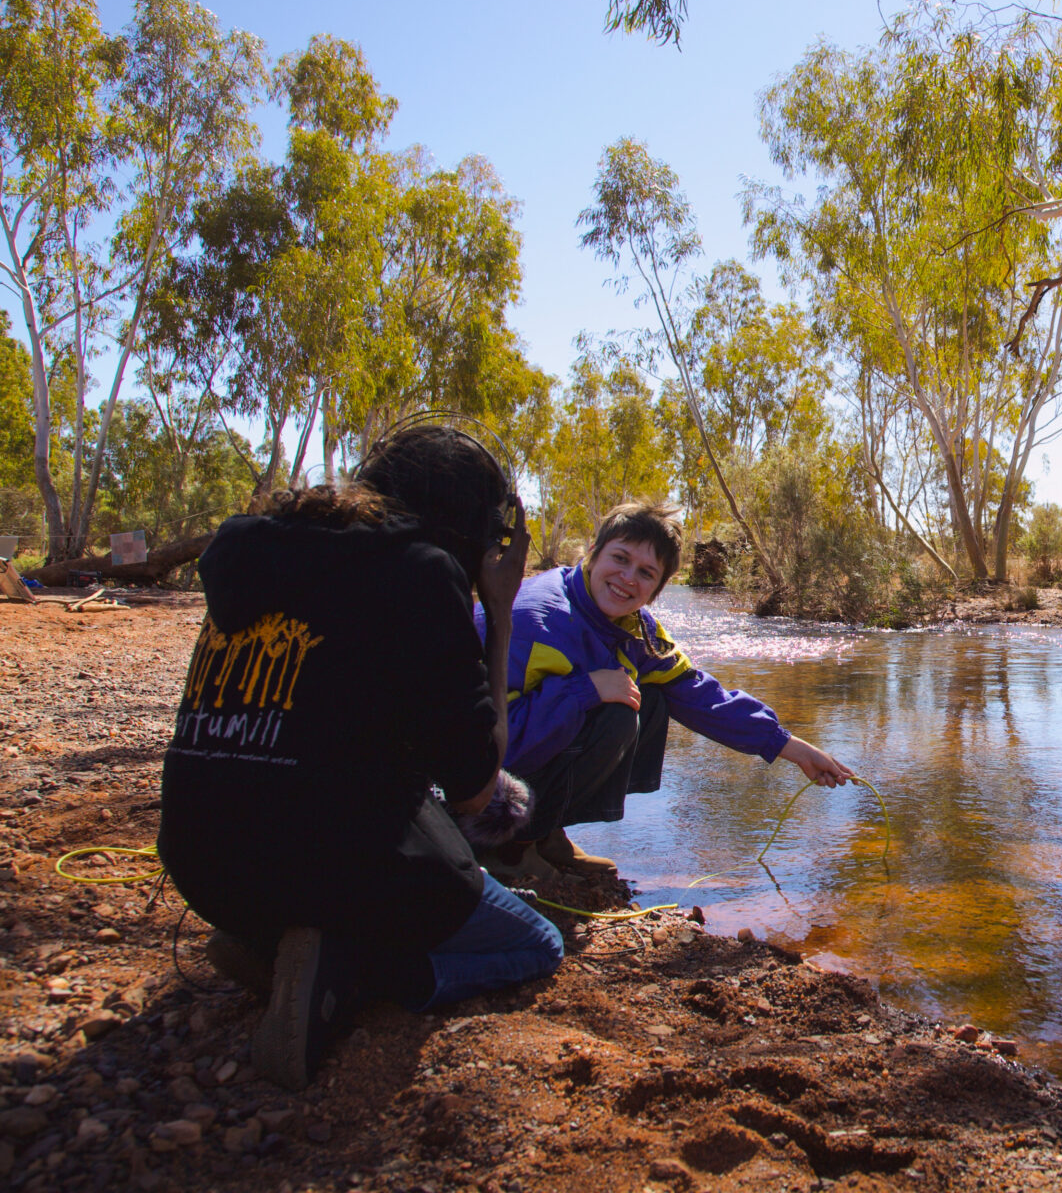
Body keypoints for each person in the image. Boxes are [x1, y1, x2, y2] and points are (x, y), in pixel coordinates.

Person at [158, 426, 561, 1090]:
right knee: (535, 945)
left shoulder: (251, 552)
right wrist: (499, 612)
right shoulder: (421, 572)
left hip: (201, 867)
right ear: (474, 523)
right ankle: (351, 973)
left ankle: (271, 941)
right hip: (323, 865)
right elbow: (475, 788)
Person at [477, 501, 853, 880]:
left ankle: (544, 834)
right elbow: (488, 738)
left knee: (653, 697)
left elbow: (699, 695)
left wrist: (791, 747)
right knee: (617, 714)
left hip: (507, 760)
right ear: (593, 553)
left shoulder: (635, 627)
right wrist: (584, 690)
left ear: (657, 588)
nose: (628, 578)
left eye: (646, 572)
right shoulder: (535, 620)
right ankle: (509, 848)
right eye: (620, 558)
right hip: (464, 777)